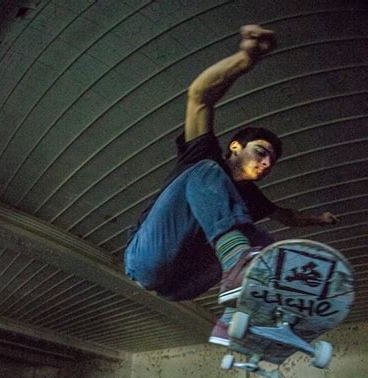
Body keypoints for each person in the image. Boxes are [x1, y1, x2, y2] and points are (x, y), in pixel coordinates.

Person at [124, 24, 337, 345]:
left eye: (271, 163)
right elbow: (199, 98)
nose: (266, 164)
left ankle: (252, 317)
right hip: (147, 259)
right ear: (236, 147)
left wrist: (319, 220)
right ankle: (237, 262)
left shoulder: (253, 199)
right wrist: (244, 60)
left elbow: (289, 218)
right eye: (261, 153)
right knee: (206, 172)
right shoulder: (204, 153)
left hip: (180, 287)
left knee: (260, 235)